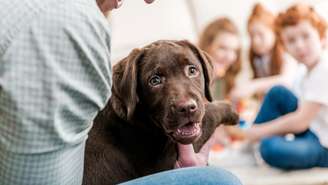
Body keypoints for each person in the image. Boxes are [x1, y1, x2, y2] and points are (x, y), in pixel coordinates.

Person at [0, 0, 241, 184]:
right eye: (155, 80)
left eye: (191, 70)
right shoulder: (76, 22)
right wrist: (221, 110)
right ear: (131, 91)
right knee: (219, 180)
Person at [244, 4, 328, 170]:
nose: (299, 45)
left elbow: (300, 122)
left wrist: (257, 131)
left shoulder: (324, 68)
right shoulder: (303, 72)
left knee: (270, 148)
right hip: (313, 131)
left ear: (322, 37)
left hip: (324, 146)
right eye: (291, 40)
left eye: (306, 36)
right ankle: (249, 146)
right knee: (278, 93)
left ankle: (252, 140)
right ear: (284, 47)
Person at [230, 3, 299, 100]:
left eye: (260, 34)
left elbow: (286, 81)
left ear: (274, 32)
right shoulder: (257, 59)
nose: (255, 41)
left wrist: (253, 85)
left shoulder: (287, 53)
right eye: (251, 36)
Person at [198, 17, 242, 100]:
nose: (229, 57)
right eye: (222, 48)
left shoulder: (225, 80)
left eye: (234, 51)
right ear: (207, 46)